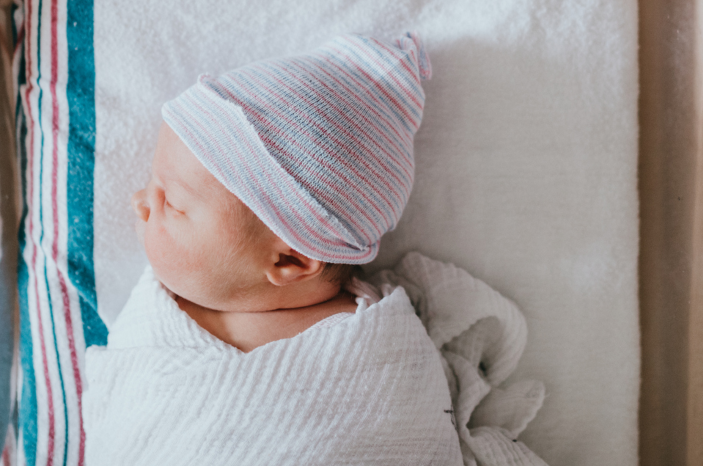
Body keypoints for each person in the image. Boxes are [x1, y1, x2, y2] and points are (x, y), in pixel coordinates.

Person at [83, 33, 463, 466]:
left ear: (289, 260)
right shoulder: (157, 323)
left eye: (172, 201)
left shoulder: (380, 358)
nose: (140, 202)